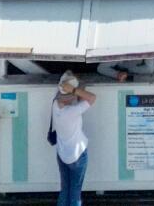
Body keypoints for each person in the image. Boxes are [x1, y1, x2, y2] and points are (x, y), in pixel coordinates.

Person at [50, 72, 94, 206]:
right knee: (75, 193)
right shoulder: (72, 112)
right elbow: (92, 98)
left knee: (65, 190)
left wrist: (72, 90)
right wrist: (75, 89)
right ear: (71, 95)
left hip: (62, 154)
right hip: (78, 155)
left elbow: (77, 99)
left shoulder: (55, 105)